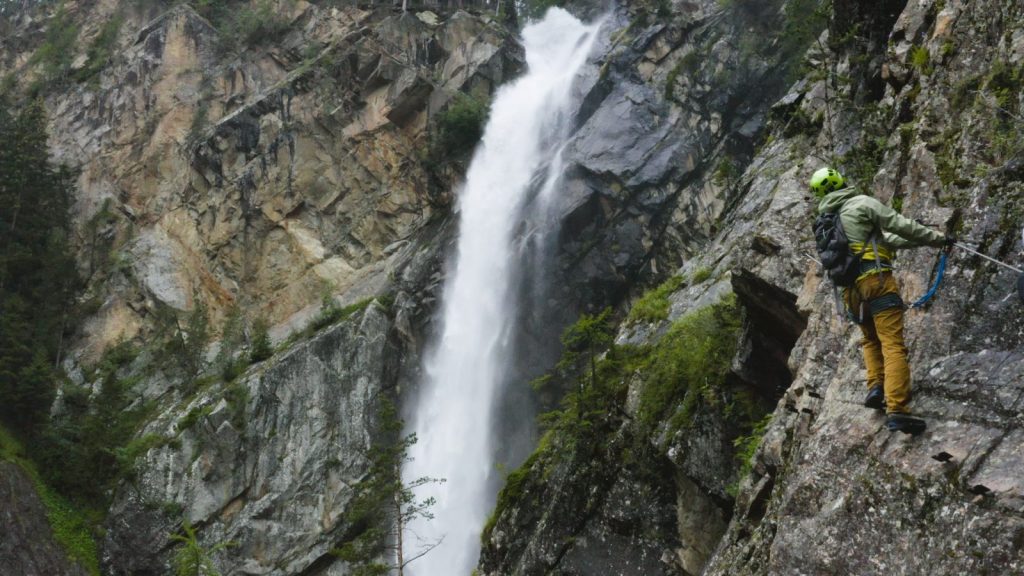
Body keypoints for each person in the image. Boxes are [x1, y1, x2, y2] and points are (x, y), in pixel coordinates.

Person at [810, 167, 953, 435]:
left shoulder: (828, 221)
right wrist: (939, 239)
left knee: (871, 340)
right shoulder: (862, 204)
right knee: (892, 344)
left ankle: (876, 387)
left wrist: (925, 244)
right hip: (876, 281)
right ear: (841, 180)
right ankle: (897, 409)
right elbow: (901, 225)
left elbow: (888, 241)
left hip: (850, 292)